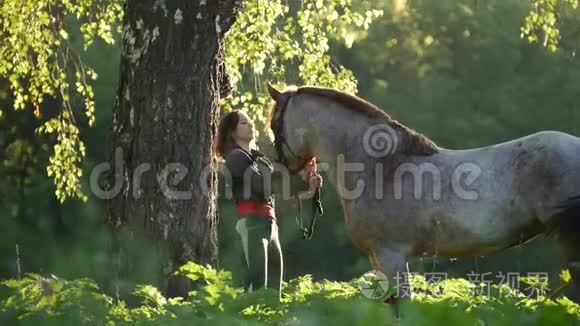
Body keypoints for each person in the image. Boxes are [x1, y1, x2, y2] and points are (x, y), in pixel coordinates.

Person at [215, 109, 322, 299]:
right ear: (231, 132)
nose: (250, 125)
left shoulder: (260, 160)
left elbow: (275, 186)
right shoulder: (235, 158)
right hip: (251, 224)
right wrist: (299, 180)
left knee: (274, 295)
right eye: (243, 123)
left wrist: (306, 181)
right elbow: (261, 185)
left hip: (270, 227)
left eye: (249, 121)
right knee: (257, 291)